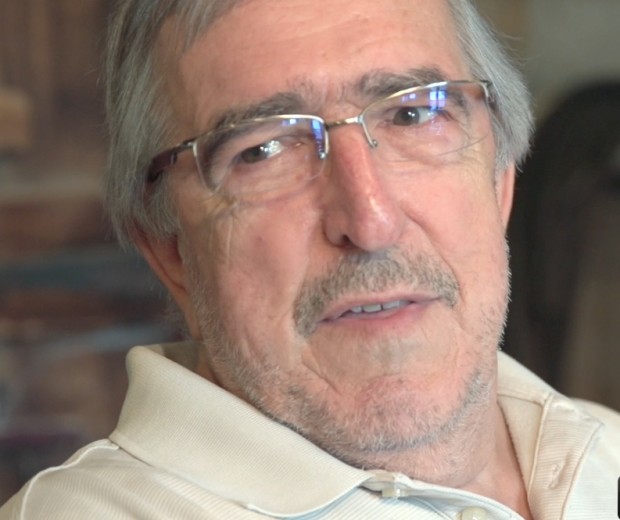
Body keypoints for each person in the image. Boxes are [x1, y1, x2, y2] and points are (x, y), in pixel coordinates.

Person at [1, 0, 619, 518]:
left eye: (413, 112)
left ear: (498, 181)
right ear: (171, 253)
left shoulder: (605, 448)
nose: (370, 221)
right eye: (263, 149)